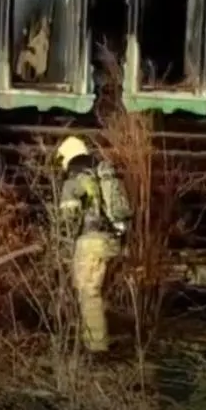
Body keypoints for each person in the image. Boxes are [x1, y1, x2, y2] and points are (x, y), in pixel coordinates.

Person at [55, 135, 133, 354]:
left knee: (89, 293)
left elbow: (68, 221)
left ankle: (97, 348)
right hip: (112, 240)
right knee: (99, 291)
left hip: (91, 243)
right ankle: (103, 335)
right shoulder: (102, 173)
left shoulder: (74, 180)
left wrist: (61, 242)